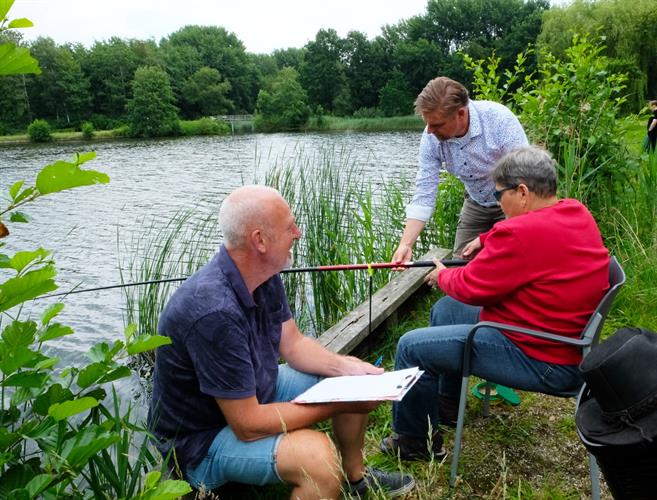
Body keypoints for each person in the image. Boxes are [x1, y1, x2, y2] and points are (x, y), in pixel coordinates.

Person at [148, 185, 415, 499]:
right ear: (259, 240)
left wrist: (348, 368)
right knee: (318, 458)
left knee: (351, 378)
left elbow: (293, 344)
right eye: (290, 226)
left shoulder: (263, 272)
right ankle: (327, 476)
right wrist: (339, 403)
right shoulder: (213, 311)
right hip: (200, 439)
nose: (298, 233)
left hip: (255, 391)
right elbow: (247, 424)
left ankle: (356, 480)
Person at [380, 146, 610, 460]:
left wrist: (442, 276)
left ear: (523, 192)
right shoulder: (574, 211)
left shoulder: (521, 234)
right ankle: (447, 404)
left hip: (544, 358)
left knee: (410, 346)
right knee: (445, 311)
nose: (497, 202)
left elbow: (472, 287)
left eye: (500, 194)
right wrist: (486, 238)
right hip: (561, 339)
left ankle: (412, 444)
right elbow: (527, 235)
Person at [392, 76, 528, 261]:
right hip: (475, 201)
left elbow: (525, 180)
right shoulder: (431, 137)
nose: (430, 131)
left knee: (511, 262)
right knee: (460, 263)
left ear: (461, 114)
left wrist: (494, 235)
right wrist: (405, 245)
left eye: (437, 124)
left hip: (511, 201)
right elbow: (424, 193)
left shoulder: (499, 120)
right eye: (427, 123)